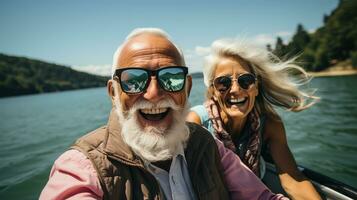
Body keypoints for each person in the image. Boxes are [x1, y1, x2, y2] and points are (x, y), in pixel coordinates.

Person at [40, 28, 288, 200]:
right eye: (134, 80)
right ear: (114, 92)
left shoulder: (207, 145)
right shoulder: (82, 168)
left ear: (187, 87)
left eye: (171, 78)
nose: (154, 93)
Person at [186, 38, 321, 200]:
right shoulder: (196, 123)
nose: (235, 90)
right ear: (213, 91)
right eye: (223, 82)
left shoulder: (270, 124)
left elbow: (293, 179)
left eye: (245, 81)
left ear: (256, 87)